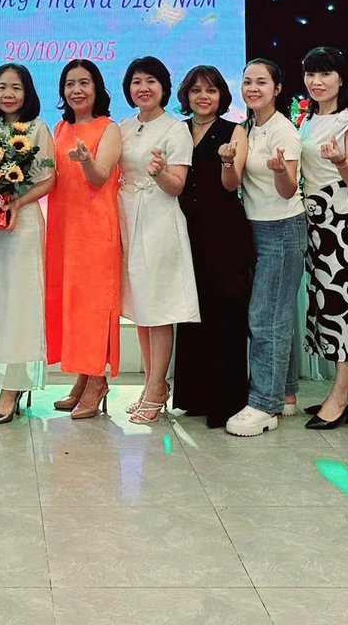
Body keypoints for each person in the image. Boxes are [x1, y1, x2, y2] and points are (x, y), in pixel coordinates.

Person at [115, 55, 198, 425]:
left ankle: (156, 387)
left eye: (150, 81)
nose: (143, 88)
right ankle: (153, 384)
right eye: (136, 82)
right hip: (127, 217)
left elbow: (177, 186)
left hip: (158, 220)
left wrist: (161, 172)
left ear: (164, 86)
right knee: (140, 309)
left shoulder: (175, 129)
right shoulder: (124, 126)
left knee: (158, 309)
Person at [295, 47, 348, 431]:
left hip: (340, 221)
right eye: (311, 73)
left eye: (325, 73)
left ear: (341, 79)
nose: (317, 81)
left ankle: (341, 396)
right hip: (314, 222)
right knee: (325, 308)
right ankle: (347, 390)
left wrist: (341, 161)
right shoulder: (307, 120)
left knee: (347, 309)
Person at [226, 59, 304, 437]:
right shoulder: (247, 127)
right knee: (277, 312)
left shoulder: (283, 130)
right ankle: (285, 393)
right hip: (255, 227)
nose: (253, 88)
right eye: (247, 82)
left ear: (277, 88)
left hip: (282, 228)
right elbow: (234, 181)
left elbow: (288, 190)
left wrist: (280, 171)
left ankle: (263, 405)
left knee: (266, 317)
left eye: (261, 82)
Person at [174, 65, 254, 430]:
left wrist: (226, 161)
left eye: (210, 90)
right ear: (186, 95)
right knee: (193, 312)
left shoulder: (234, 130)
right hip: (185, 230)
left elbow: (231, 183)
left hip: (224, 232)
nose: (203, 97)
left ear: (221, 95)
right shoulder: (178, 130)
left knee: (227, 315)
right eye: (196, 90)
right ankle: (195, 396)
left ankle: (228, 400)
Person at [44, 59, 123, 420]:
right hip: (64, 229)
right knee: (73, 306)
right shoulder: (60, 127)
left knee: (94, 307)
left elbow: (99, 177)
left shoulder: (109, 128)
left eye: (84, 83)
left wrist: (87, 160)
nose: (76, 90)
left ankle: (97, 382)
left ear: (97, 88)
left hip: (95, 232)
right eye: (70, 84)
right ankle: (82, 377)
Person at [0, 62, 56, 425]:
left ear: (28, 93)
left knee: (20, 305)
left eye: (16, 88)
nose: (8, 94)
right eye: (2, 87)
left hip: (23, 225)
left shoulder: (38, 128)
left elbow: (48, 180)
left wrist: (17, 203)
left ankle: (11, 390)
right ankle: (10, 381)